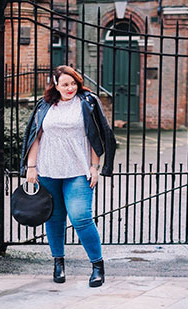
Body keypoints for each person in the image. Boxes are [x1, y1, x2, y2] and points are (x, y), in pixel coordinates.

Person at [20, 65, 116, 287]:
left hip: (78, 170)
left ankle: (97, 265)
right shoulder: (45, 105)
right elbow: (36, 135)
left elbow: (96, 134)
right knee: (54, 218)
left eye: (73, 83)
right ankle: (58, 262)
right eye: (65, 84)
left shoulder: (88, 102)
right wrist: (31, 167)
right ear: (55, 84)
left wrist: (95, 166)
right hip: (48, 170)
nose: (70, 88)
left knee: (81, 217)